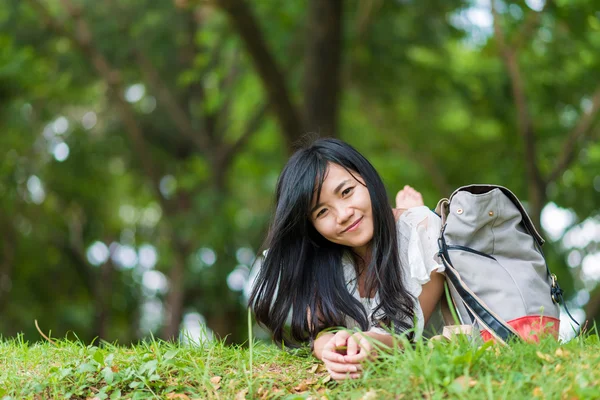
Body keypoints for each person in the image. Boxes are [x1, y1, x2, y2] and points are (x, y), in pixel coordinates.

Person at [249, 138, 445, 381]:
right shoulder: (322, 260)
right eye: (322, 212)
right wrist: (329, 349)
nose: (342, 215)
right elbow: (321, 332)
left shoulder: (421, 230)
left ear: (367, 178)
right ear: (312, 227)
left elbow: (407, 334)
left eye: (346, 192)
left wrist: (368, 344)